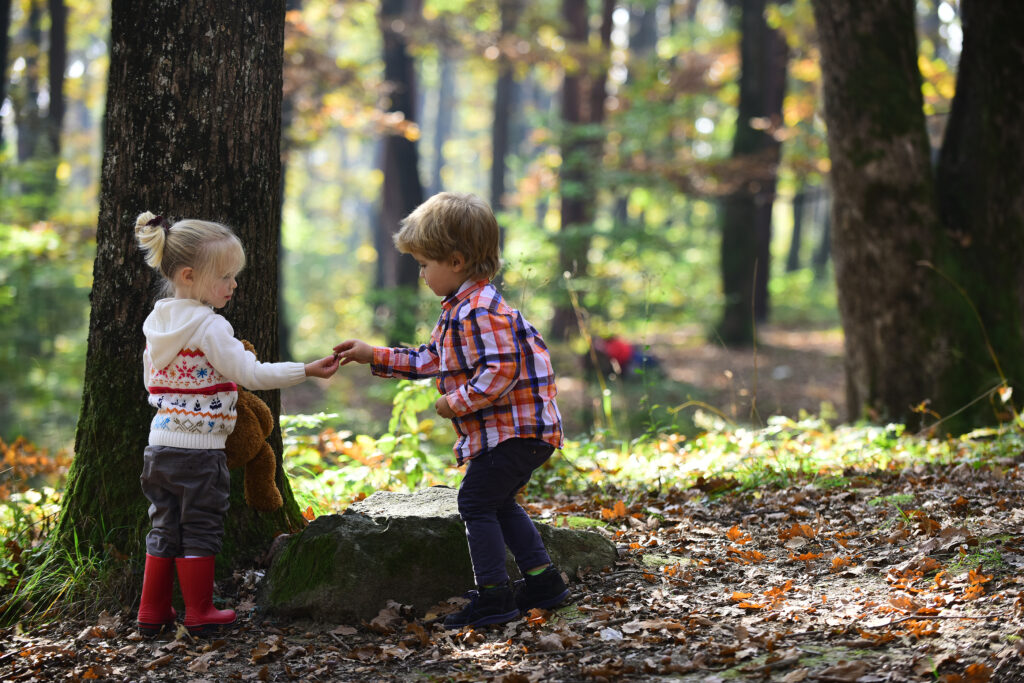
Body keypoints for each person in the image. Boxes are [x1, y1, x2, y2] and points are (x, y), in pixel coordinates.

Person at [333, 192, 569, 630]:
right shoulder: (462, 308)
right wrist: (373, 355)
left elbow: (503, 368)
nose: (420, 274)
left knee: (475, 502)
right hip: (518, 433)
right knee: (497, 504)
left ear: (456, 261)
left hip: (516, 432)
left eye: (424, 264)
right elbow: (430, 359)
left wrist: (454, 402)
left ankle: (495, 597)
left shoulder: (478, 310)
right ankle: (543, 581)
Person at [133, 211, 339, 636]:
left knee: (164, 525)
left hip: (159, 446)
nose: (234, 284)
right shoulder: (210, 326)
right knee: (201, 528)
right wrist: (306, 370)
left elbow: (152, 382)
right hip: (201, 452)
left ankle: (152, 611)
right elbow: (252, 374)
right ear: (189, 275)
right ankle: (200, 611)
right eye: (225, 276)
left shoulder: (157, 323)